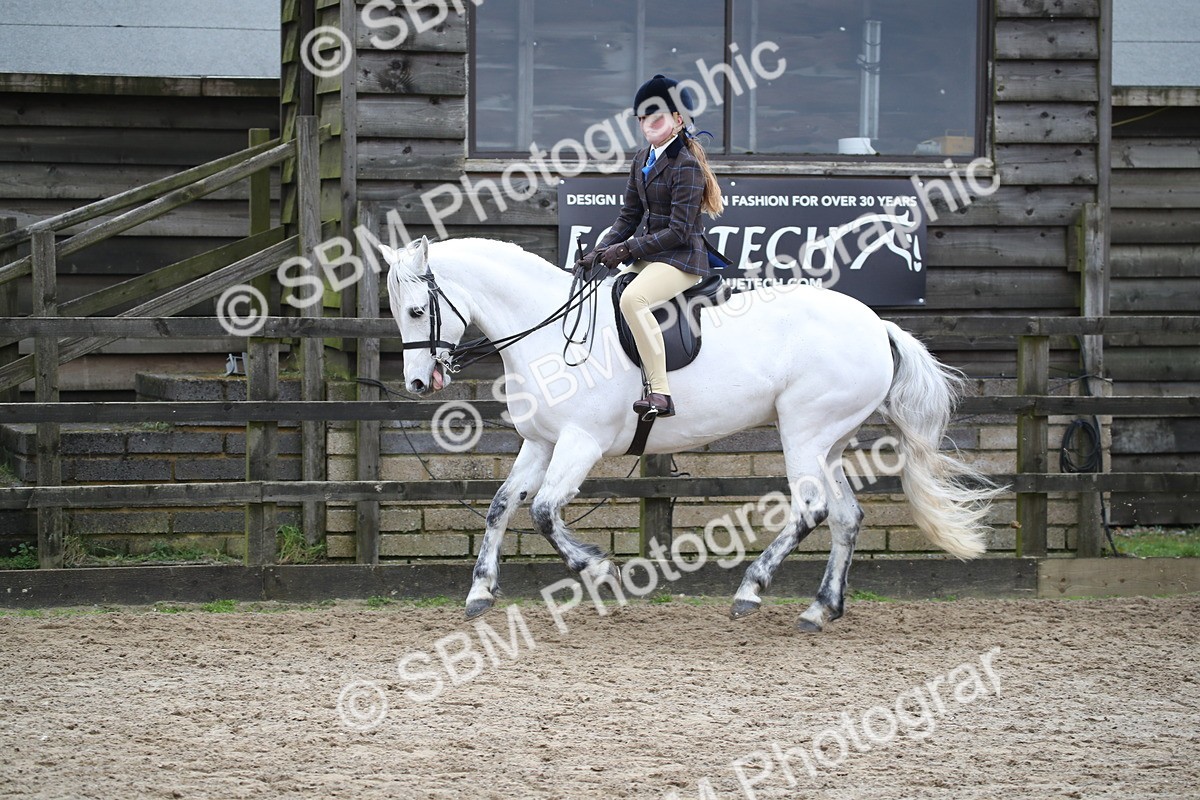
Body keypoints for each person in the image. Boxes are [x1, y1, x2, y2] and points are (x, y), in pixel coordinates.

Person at [578, 74, 730, 420]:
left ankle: (660, 392)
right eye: (642, 118)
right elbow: (628, 216)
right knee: (606, 291)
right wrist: (599, 251)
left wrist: (627, 250)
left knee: (634, 299)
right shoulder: (641, 159)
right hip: (653, 255)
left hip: (682, 257)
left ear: (678, 120)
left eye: (655, 117)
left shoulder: (687, 165)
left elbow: (679, 231)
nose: (647, 124)